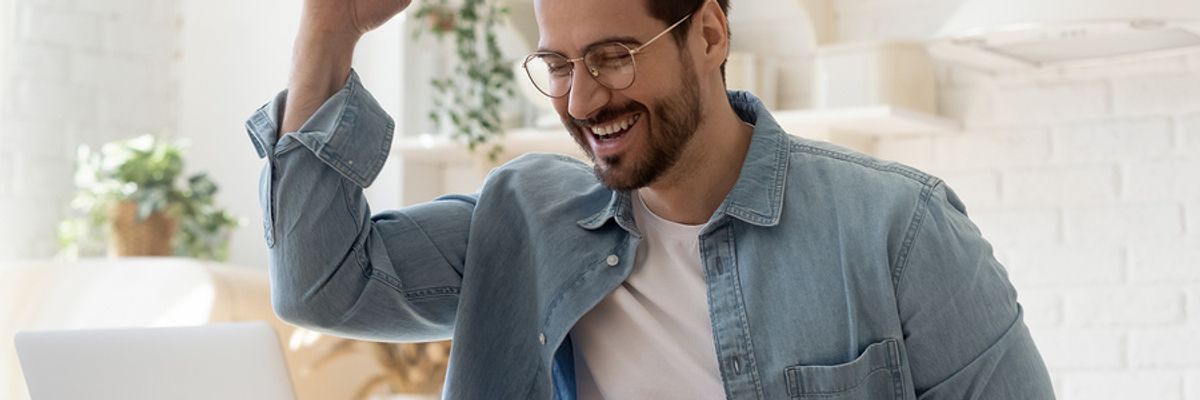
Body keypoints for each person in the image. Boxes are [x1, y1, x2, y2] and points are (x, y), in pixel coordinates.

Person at [244, 0, 1056, 398]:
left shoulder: (899, 231)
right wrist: (332, 26)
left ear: (708, 34)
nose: (583, 100)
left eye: (614, 56)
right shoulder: (524, 220)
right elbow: (318, 284)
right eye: (559, 67)